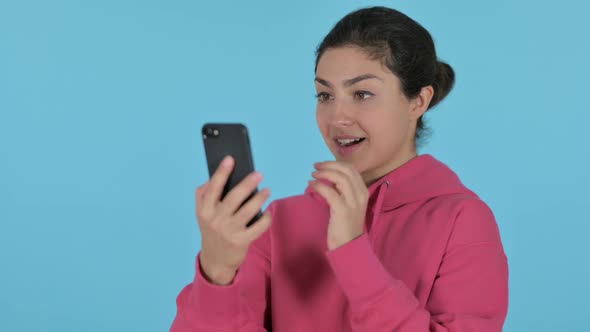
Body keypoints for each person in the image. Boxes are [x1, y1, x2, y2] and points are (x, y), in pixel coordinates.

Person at [170, 6, 509, 332]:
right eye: (324, 95)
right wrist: (217, 273)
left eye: (362, 94)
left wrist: (353, 252)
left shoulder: (462, 220)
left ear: (418, 101)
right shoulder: (278, 223)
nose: (337, 118)